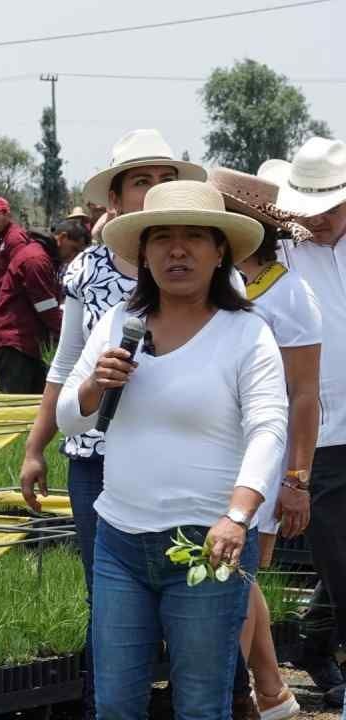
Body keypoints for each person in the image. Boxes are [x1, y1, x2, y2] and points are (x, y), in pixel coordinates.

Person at [57, 180, 287, 718]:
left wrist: (238, 515)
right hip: (119, 543)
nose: (176, 250)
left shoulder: (246, 334)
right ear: (143, 251)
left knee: (201, 706)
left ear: (219, 251)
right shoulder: (120, 322)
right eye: (161, 237)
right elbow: (71, 417)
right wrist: (95, 385)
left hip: (209, 546)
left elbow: (268, 431)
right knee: (115, 705)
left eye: (193, 238)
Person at [19, 128, 206, 717]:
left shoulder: (203, 270)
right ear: (117, 200)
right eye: (141, 181)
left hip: (184, 457)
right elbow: (67, 359)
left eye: (164, 181)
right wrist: (35, 445)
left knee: (194, 597)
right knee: (111, 603)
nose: (153, 191)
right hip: (99, 457)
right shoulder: (86, 272)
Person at [207, 167, 319, 720]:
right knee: (235, 573)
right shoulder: (219, 284)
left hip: (260, 451)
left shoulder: (290, 292)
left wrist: (296, 478)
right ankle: (268, 690)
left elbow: (303, 396)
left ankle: (253, 691)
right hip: (213, 447)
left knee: (239, 571)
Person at [261, 136, 346, 705]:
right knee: (339, 557)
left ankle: (315, 641)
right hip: (320, 435)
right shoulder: (280, 253)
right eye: (307, 206)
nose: (316, 219)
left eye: (329, 207)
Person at [0, 196, 60, 394]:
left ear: (7, 215)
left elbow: (19, 270)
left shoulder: (14, 239)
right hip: (15, 336)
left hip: (17, 333)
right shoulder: (4, 240)